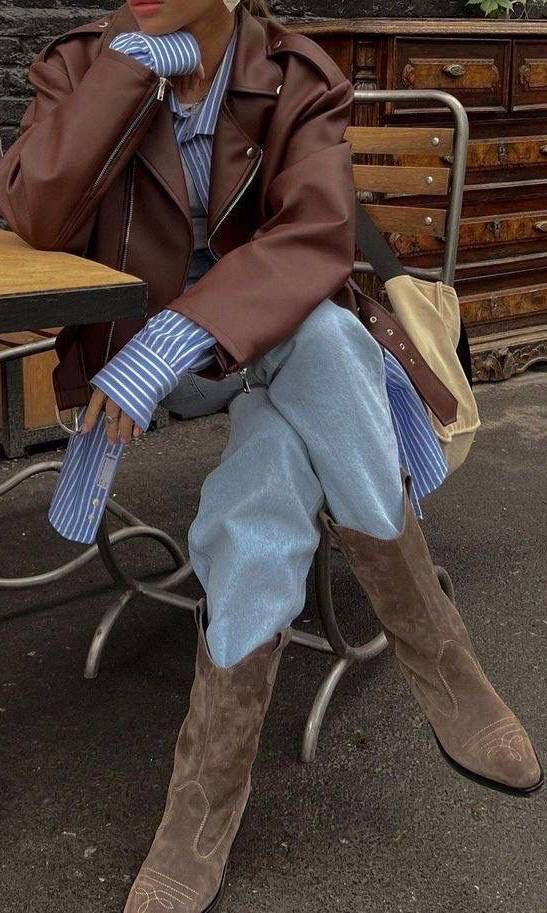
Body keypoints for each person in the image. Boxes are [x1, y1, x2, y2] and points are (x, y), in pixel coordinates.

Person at [0, 1, 542, 910]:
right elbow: (36, 216)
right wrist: (127, 72)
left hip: (242, 355)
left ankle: (203, 799)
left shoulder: (295, 75)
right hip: (144, 371)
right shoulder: (80, 64)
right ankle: (437, 650)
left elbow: (317, 238)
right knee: (326, 342)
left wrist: (172, 336)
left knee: (283, 442)